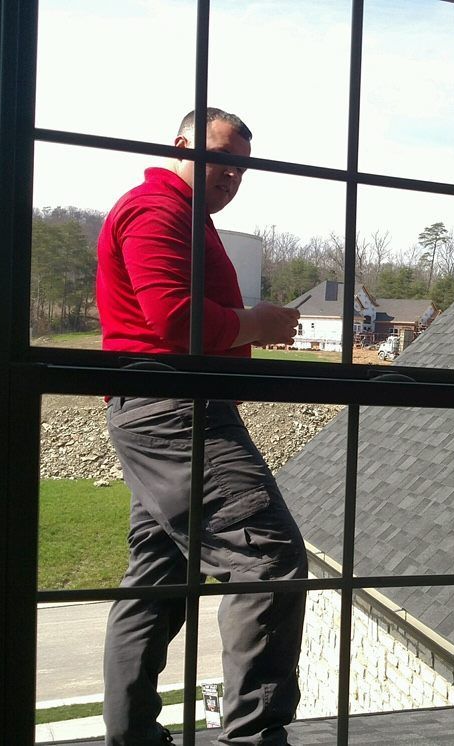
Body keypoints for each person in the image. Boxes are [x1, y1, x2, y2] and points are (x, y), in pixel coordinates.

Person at [95, 108, 307, 746]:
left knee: (158, 575)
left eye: (241, 164)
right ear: (180, 145)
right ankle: (254, 740)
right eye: (220, 157)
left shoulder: (187, 220)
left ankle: (130, 735)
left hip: (158, 414)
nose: (231, 173)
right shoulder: (157, 212)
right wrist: (260, 324)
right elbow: (176, 321)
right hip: (177, 415)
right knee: (268, 560)